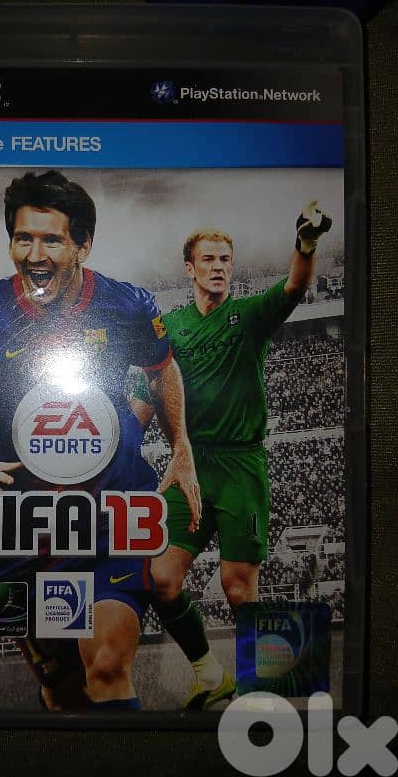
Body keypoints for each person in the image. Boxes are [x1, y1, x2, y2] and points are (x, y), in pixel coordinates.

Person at [0, 170, 201, 712]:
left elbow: (162, 369)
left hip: (106, 517)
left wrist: (180, 445)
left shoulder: (127, 306)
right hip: (23, 530)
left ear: (83, 246)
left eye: (51, 240)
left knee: (107, 666)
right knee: (61, 690)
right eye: (23, 238)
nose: (35, 254)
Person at [149, 201, 332, 709]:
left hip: (240, 467)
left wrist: (306, 243)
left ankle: (273, 697)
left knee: (236, 587)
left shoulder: (247, 316)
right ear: (189, 268)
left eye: (225, 260)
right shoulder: (171, 327)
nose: (218, 267)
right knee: (161, 579)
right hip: (191, 465)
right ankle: (211, 676)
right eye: (208, 259)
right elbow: (149, 389)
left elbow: (294, 286)